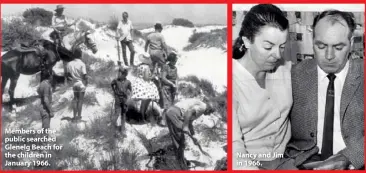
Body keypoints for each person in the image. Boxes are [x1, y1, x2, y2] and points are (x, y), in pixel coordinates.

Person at [285, 10, 364, 170]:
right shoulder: (294, 75)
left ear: (351, 42)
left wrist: (350, 156)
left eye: (338, 47)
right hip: (302, 164)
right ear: (312, 41)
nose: (329, 55)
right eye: (321, 46)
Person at [232, 4, 296, 170]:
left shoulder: (285, 70)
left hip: (287, 160)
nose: (278, 55)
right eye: (268, 47)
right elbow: (235, 146)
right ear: (247, 41)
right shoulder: (231, 80)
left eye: (282, 46)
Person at [164, 97, 215, 170]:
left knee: (177, 141)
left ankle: (180, 161)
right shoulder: (203, 107)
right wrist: (185, 126)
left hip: (170, 112)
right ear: (209, 109)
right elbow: (189, 112)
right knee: (180, 142)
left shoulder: (200, 105)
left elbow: (189, 120)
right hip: (175, 113)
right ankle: (181, 165)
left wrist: (194, 136)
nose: (209, 115)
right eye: (210, 113)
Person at [129, 54, 160, 121]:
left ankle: (141, 115)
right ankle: (142, 116)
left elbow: (140, 75)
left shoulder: (140, 66)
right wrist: (153, 76)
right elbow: (146, 78)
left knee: (145, 101)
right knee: (146, 101)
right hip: (144, 84)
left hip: (139, 83)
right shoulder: (146, 67)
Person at [65, 56, 88, 121]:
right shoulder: (82, 63)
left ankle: (74, 117)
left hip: (74, 84)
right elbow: (85, 76)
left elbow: (67, 75)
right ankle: (79, 118)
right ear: (80, 55)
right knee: (80, 101)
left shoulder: (69, 64)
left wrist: (70, 80)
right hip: (80, 84)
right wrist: (86, 83)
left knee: (75, 100)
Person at [111, 67, 132, 136]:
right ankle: (113, 129)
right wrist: (114, 92)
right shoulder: (116, 81)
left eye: (121, 73)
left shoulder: (128, 82)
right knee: (116, 113)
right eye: (119, 73)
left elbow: (131, 90)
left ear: (125, 75)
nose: (119, 74)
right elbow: (112, 84)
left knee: (123, 114)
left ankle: (123, 129)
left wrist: (129, 97)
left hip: (124, 99)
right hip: (117, 98)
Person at [37, 67, 54, 132]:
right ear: (49, 76)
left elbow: (38, 91)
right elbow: (46, 99)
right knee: (45, 129)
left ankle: (44, 141)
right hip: (45, 109)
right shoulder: (46, 85)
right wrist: (50, 111)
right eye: (52, 75)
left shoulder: (41, 83)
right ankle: (44, 142)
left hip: (42, 107)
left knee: (45, 128)